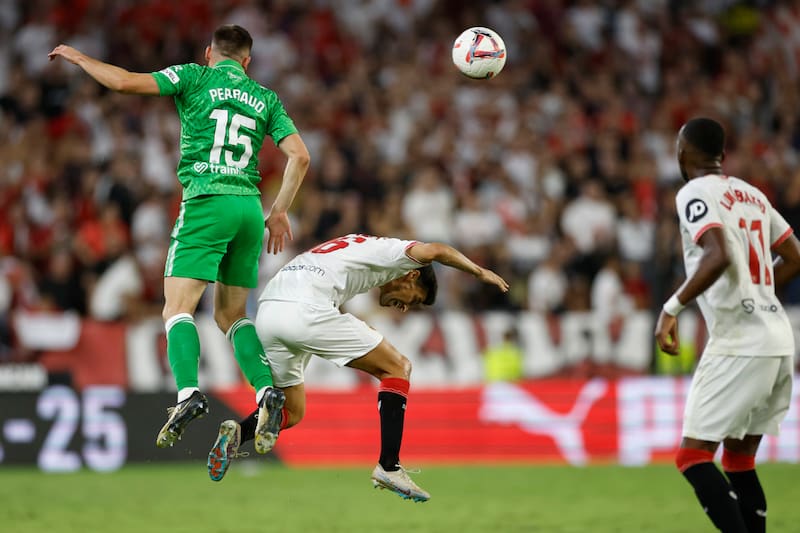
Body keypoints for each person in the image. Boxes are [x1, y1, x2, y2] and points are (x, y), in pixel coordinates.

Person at [49, 25, 310, 448]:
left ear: (210, 52)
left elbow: (125, 82)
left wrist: (80, 59)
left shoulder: (194, 75)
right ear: (247, 62)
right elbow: (300, 155)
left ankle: (188, 392)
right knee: (230, 315)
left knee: (177, 308)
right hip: (248, 205)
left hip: (207, 200)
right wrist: (278, 211)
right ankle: (266, 391)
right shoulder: (266, 98)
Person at [206, 233, 509, 502]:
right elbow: (437, 251)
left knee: (292, 410)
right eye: (411, 300)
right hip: (307, 308)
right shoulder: (395, 253)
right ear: (412, 277)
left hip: (269, 311)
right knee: (398, 367)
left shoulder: (360, 247)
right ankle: (389, 466)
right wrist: (478, 271)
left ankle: (237, 433)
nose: (403, 307)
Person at [655, 117, 800, 533]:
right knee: (738, 460)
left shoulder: (693, 193)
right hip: (777, 339)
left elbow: (716, 254)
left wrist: (671, 308)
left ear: (683, 152)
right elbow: (795, 257)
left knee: (693, 457)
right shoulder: (752, 195)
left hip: (740, 341)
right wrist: (761, 288)